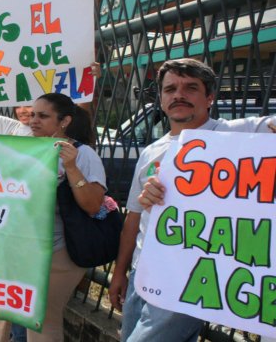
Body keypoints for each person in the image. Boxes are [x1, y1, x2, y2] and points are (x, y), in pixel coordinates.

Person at [107, 58, 276, 342]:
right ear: (161, 100)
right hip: (144, 272)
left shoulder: (238, 133)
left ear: (210, 97)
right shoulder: (151, 152)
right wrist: (120, 273)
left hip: (190, 277)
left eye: (190, 88)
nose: (179, 95)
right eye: (170, 89)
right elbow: (133, 218)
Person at [0, 93, 107, 342]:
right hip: (13, 247)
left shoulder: (82, 154)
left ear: (65, 121)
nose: (34, 120)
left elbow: (92, 205)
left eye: (43, 116)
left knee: (42, 321)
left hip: (57, 252)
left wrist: (71, 168)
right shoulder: (21, 148)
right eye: (33, 114)